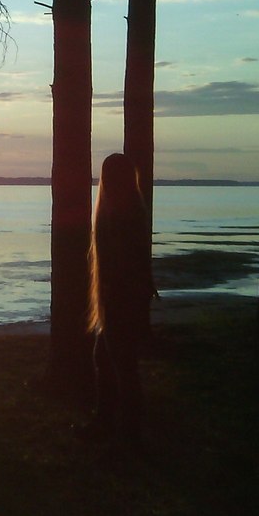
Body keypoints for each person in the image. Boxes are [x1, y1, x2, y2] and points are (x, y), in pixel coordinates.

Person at [86, 152, 155, 449]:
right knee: (107, 358)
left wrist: (117, 292)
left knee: (121, 364)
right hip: (123, 296)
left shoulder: (123, 213)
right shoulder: (127, 210)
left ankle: (127, 431)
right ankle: (109, 423)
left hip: (121, 298)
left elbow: (126, 260)